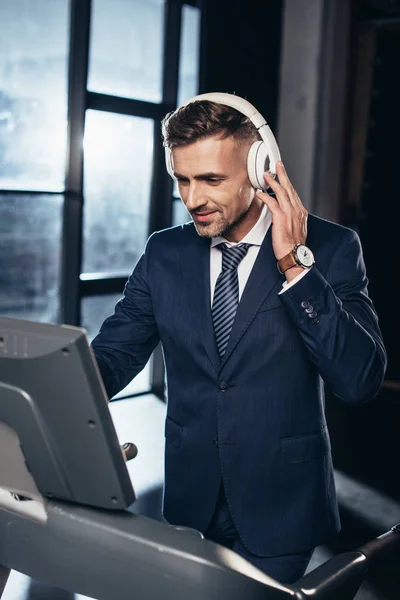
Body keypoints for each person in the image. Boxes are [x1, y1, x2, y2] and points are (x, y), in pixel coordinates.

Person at [91, 93, 386, 584]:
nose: (192, 199)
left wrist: (295, 265)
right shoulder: (164, 253)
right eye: (182, 179)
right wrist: (55, 400)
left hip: (283, 501)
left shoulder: (331, 248)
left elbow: (359, 380)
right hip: (190, 498)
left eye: (210, 180)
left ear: (260, 168)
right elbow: (116, 352)